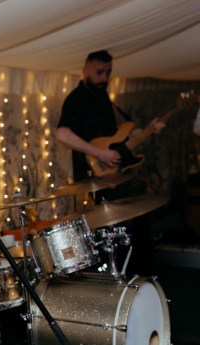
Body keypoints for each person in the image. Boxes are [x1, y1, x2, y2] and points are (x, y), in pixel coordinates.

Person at [55, 49, 165, 276]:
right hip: (94, 176)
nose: (104, 78)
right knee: (109, 231)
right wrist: (99, 153)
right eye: (99, 72)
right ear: (85, 71)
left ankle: (138, 275)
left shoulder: (104, 97)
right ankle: (113, 275)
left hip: (116, 175)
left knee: (136, 222)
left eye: (108, 72)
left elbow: (115, 135)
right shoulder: (76, 99)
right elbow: (62, 134)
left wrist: (144, 131)